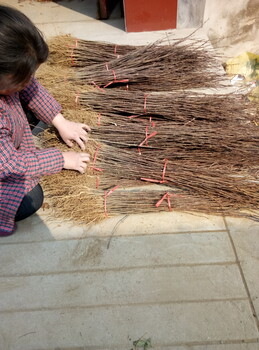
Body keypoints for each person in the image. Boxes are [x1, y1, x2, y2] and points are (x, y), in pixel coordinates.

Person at [0, 5, 91, 236]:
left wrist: (60, 122)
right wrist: (60, 159)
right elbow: (11, 165)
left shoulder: (10, 78)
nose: (30, 81)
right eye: (21, 79)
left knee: (36, 113)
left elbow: (31, 88)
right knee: (31, 199)